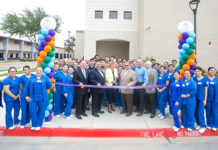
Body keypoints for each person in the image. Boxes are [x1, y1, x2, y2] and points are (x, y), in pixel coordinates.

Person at [27, 66, 52, 131]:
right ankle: (33, 124)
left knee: (41, 111)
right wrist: (26, 95)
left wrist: (44, 89)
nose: (39, 72)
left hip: (42, 97)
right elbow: (27, 87)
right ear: (36, 71)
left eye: (40, 70)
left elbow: (49, 85)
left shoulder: (45, 77)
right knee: (33, 111)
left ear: (42, 71)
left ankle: (38, 124)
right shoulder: (31, 78)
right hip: (33, 97)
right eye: (37, 70)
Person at [193, 67, 208, 134]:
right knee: (195, 112)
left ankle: (203, 126)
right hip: (194, 98)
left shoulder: (205, 79)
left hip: (201, 99)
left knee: (200, 112)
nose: (197, 72)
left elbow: (206, 90)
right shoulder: (194, 79)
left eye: (198, 71)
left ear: (201, 72)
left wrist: (205, 99)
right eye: (196, 71)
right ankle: (198, 124)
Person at [205, 67, 218, 131]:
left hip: (216, 99)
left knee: (215, 112)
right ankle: (209, 124)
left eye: (214, 70)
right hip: (207, 99)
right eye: (211, 70)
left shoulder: (217, 79)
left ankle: (215, 125)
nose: (213, 72)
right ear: (208, 71)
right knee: (208, 111)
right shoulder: (205, 78)